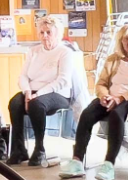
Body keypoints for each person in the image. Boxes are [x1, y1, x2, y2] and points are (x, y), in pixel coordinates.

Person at [62, 24, 128, 180]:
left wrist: (120, 98)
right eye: (127, 38)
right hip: (110, 97)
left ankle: (108, 164)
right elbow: (101, 83)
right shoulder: (113, 59)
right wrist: (105, 96)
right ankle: (77, 160)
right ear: (121, 41)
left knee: (116, 115)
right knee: (87, 114)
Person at [6, 17, 81, 167]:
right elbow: (23, 76)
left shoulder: (65, 52)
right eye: (41, 32)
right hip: (32, 91)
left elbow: (63, 80)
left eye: (48, 32)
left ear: (57, 33)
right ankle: (19, 149)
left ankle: (39, 149)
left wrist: (37, 94)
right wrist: (27, 91)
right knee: (14, 103)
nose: (44, 36)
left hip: (58, 92)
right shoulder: (33, 51)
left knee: (36, 104)